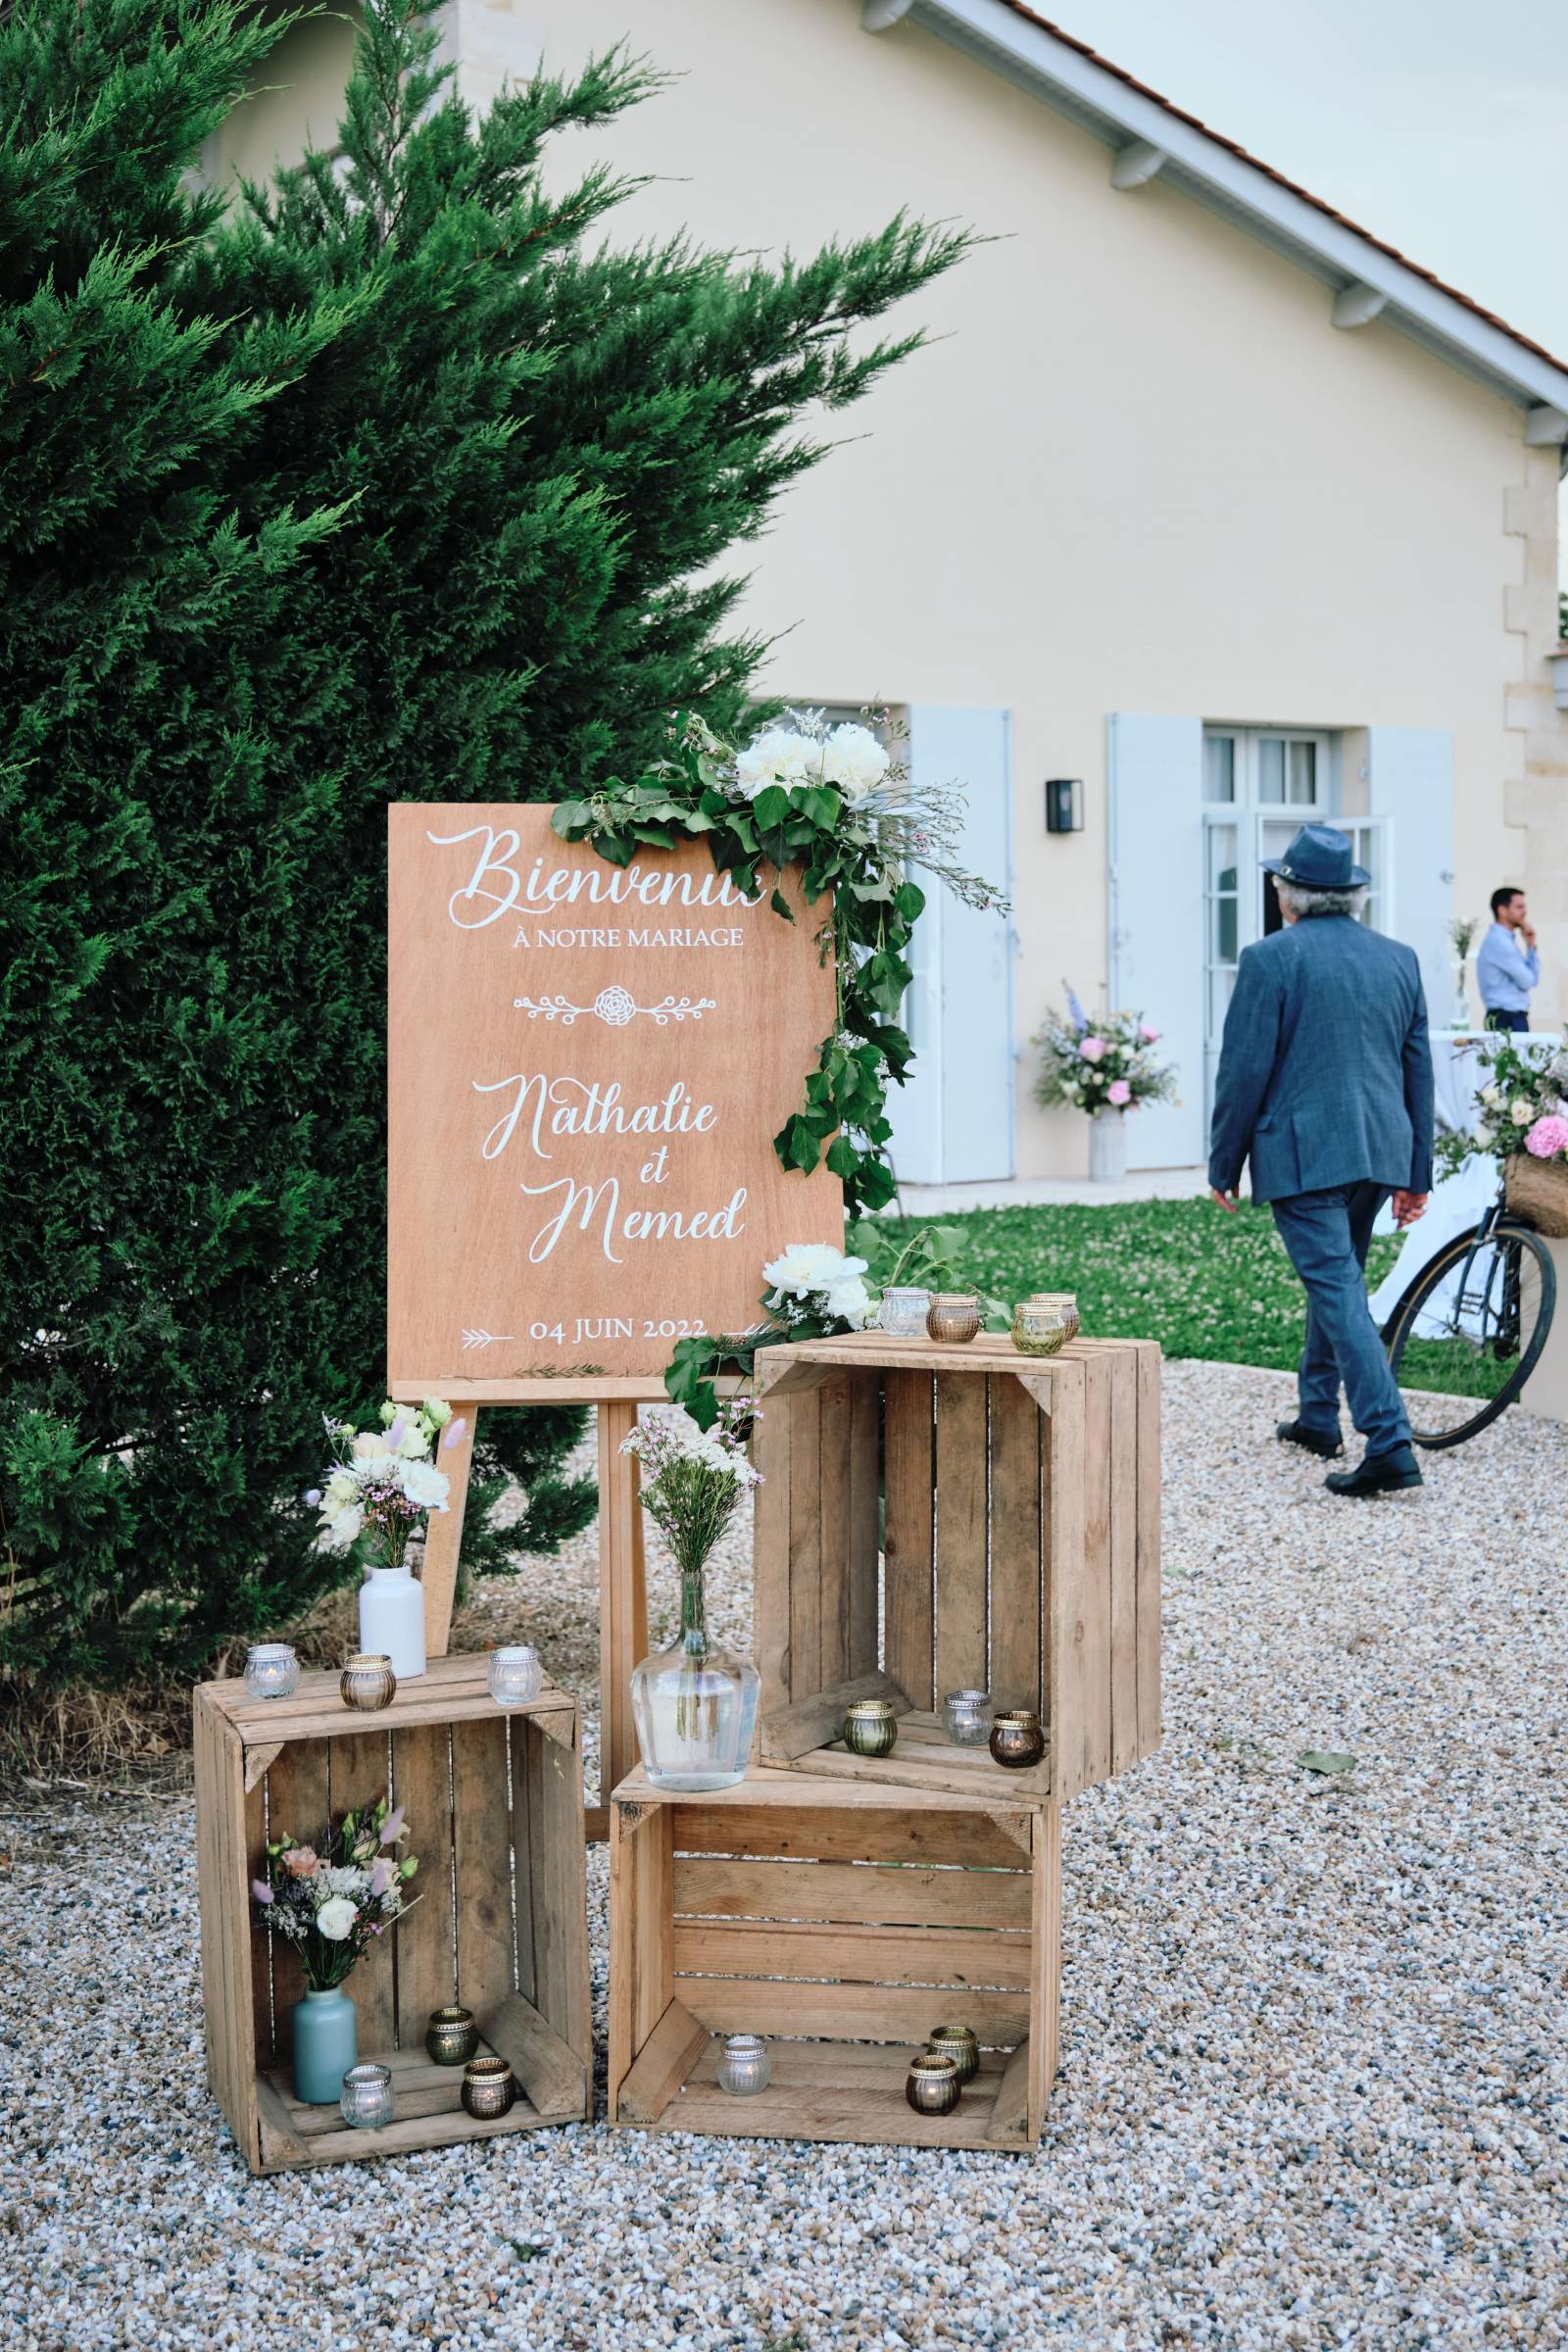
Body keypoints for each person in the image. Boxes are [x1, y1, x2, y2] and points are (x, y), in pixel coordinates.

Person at [1207, 823, 1434, 1499]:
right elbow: (1416, 1070)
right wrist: (1416, 1171)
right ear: (1351, 897)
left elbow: (1243, 1070)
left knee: (1338, 1288)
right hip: (1379, 1149)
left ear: (1288, 896)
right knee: (1340, 1281)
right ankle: (1315, 1417)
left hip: (1305, 1152)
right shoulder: (1401, 957)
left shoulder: (1269, 958)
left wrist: (1224, 1163)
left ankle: (1389, 1442)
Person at [1475, 886, 1539, 1032]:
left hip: (1510, 1017)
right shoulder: (1499, 942)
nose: (1524, 912)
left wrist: (1530, 946)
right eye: (1519, 907)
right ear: (1502, 910)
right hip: (1505, 1019)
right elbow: (1527, 981)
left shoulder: (1506, 940)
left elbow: (1532, 979)